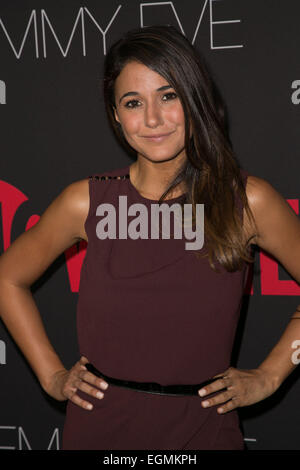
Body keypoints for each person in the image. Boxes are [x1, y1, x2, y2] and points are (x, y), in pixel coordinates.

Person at [0, 24, 299, 451]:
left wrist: (271, 374)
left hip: (204, 433)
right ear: (116, 115)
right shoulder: (85, 202)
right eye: (134, 102)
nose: (153, 119)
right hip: (97, 431)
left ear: (195, 100)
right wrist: (52, 375)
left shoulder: (248, 200)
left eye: (169, 95)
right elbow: (7, 278)